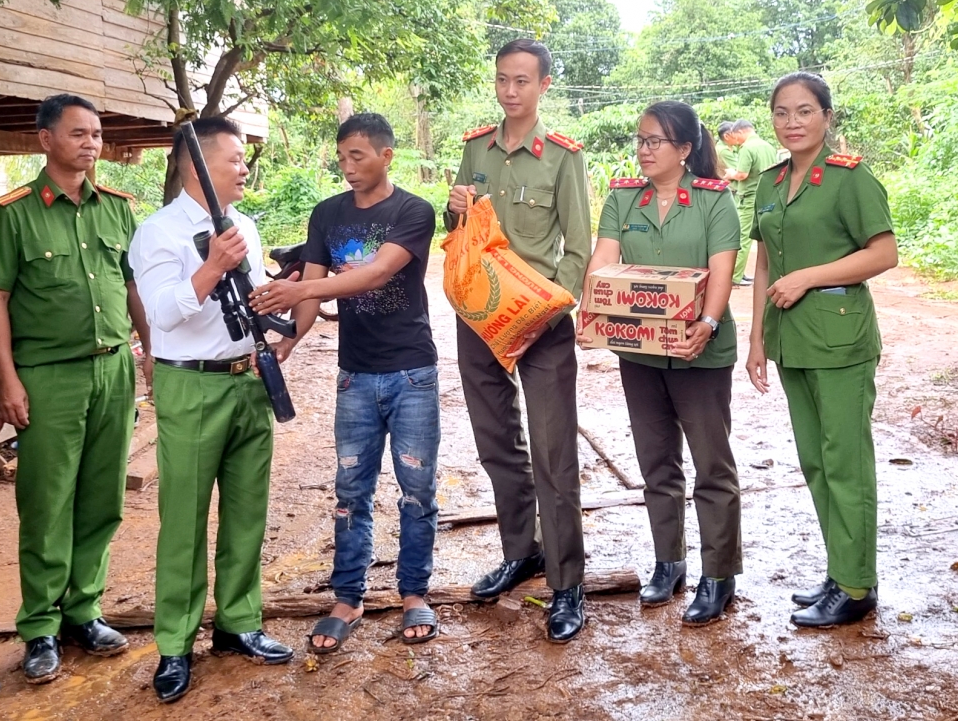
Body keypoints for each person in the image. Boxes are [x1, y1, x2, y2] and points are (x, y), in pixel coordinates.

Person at [250, 113, 440, 654]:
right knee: (351, 491)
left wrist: (301, 294)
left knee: (417, 490)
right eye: (341, 158)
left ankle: (413, 593)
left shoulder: (412, 211)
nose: (348, 167)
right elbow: (309, 287)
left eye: (358, 156)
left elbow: (377, 273)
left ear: (386, 156)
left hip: (412, 372)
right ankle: (348, 596)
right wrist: (290, 340)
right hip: (355, 375)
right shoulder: (327, 213)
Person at [0, 94, 150, 683]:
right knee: (47, 502)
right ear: (45, 139)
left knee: (101, 497)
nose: (91, 143)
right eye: (78, 133)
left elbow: (133, 287)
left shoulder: (119, 209)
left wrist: (151, 351)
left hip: (112, 369)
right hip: (47, 376)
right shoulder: (11, 213)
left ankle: (84, 610)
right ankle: (40, 627)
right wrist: (7, 378)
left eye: (97, 134)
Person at [129, 117, 293, 704]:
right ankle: (175, 643)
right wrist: (211, 268)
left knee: (248, 508)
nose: (244, 168)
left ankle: (238, 623)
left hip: (247, 378)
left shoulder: (241, 223)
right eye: (234, 159)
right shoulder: (158, 232)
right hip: (190, 386)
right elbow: (160, 316)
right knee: (184, 518)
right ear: (192, 166)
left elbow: (244, 303)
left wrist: (277, 293)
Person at [445, 38, 592, 643]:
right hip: (478, 316)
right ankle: (521, 551)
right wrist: (452, 209)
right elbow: (458, 231)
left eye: (523, 81)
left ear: (544, 86)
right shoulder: (475, 149)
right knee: (495, 440)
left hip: (539, 322)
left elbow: (578, 248)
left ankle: (567, 583)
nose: (510, 91)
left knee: (554, 452)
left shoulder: (561, 158)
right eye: (503, 79)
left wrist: (540, 309)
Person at [578, 102, 742, 625]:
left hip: (701, 352)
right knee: (656, 462)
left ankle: (719, 575)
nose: (644, 150)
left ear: (685, 150)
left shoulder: (715, 202)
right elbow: (603, 264)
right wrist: (593, 308)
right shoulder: (624, 199)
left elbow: (720, 271)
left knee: (711, 466)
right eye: (640, 140)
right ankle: (668, 562)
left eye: (655, 142)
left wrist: (708, 323)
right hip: (640, 350)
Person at [746, 72, 898, 627]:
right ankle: (841, 572)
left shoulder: (849, 178)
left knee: (845, 462)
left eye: (805, 111)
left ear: (827, 117)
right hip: (791, 339)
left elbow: (884, 254)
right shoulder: (770, 181)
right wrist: (757, 338)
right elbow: (763, 263)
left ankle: (857, 587)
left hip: (841, 338)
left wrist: (809, 276)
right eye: (782, 112)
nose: (792, 122)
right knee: (814, 461)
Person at [724, 120, 778, 286]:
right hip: (769, 196)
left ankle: (735, 275)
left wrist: (730, 174)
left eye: (735, 136)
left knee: (743, 237)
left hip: (750, 196)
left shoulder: (747, 148)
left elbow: (742, 174)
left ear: (740, 132)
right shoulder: (768, 146)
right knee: (766, 238)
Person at [714, 122, 736, 188]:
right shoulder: (724, 151)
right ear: (726, 136)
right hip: (730, 188)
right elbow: (740, 170)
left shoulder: (730, 148)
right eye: (735, 133)